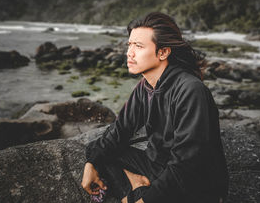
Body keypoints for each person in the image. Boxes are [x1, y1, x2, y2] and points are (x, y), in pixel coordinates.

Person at [81, 12, 229, 203]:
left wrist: (143, 201)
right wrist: (91, 164)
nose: (129, 53)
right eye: (130, 45)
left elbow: (186, 165)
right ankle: (137, 185)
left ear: (163, 52)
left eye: (139, 46)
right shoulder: (145, 87)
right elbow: (119, 131)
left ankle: (137, 192)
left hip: (197, 186)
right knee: (99, 151)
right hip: (158, 165)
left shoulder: (190, 90)